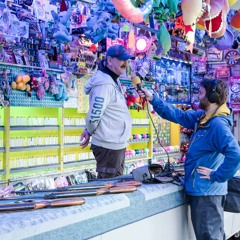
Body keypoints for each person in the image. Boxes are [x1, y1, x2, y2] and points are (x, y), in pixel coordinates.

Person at [138, 79, 240, 240]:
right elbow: (178, 115)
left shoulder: (217, 125)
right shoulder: (204, 118)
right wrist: (153, 99)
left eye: (200, 93)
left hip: (207, 193)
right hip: (203, 191)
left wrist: (217, 175)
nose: (197, 97)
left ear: (212, 97)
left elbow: (235, 154)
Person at [80, 44, 134, 179]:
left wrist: (88, 130)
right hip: (109, 146)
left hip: (115, 144)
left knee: (115, 185)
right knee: (109, 187)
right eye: (122, 60)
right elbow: (95, 114)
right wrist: (89, 130)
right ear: (109, 60)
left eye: (126, 60)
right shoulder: (104, 84)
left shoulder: (112, 80)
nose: (125, 63)